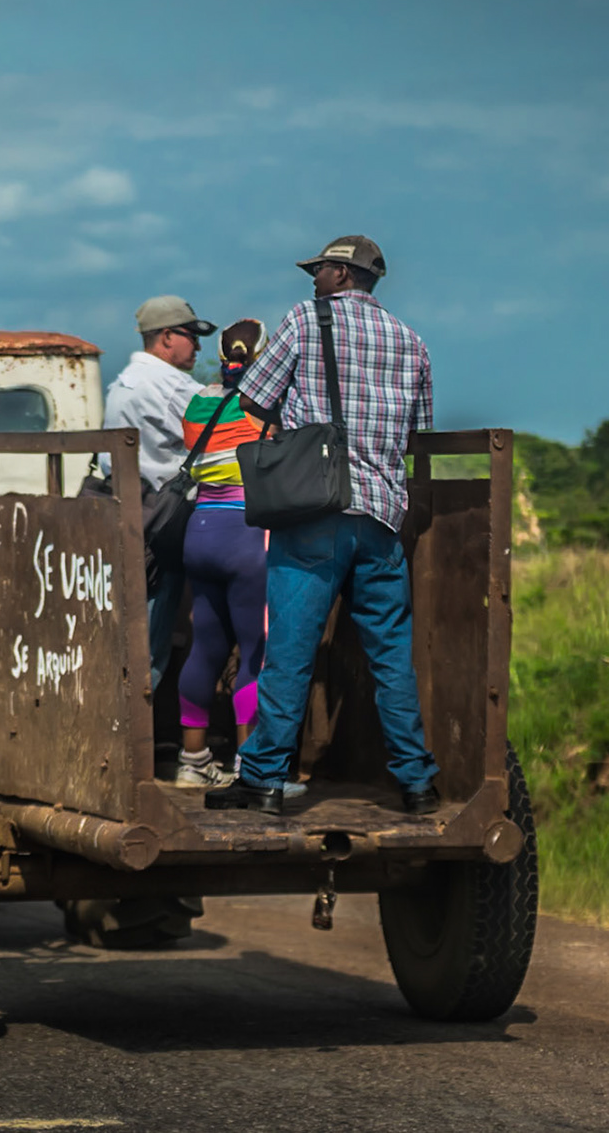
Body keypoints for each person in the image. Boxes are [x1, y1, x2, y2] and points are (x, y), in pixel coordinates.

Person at [207, 235, 441, 816]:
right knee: (390, 656)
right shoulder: (412, 342)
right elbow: (418, 436)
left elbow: (254, 403)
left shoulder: (305, 321)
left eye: (319, 270)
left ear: (340, 274)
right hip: (382, 519)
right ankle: (416, 782)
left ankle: (262, 779)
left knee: (290, 650)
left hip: (314, 514)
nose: (312, 279)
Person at [101, 295, 216, 686]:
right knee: (150, 642)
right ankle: (140, 739)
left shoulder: (126, 381)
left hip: (127, 509)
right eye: (191, 336)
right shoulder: (169, 385)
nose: (197, 347)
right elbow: (223, 431)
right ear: (167, 337)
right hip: (160, 520)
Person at [172, 319, 268, 787]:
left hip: (200, 531)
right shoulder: (263, 409)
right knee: (255, 651)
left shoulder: (199, 402)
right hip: (247, 534)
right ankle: (250, 766)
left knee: (205, 647)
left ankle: (192, 763)